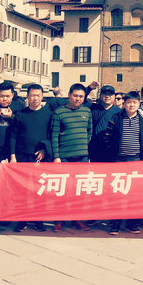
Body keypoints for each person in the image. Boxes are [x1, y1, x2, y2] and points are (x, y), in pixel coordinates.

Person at [101, 91, 143, 235]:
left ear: (139, 104)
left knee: (134, 195)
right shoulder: (115, 118)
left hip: (135, 161)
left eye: (135, 102)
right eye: (129, 102)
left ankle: (132, 224)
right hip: (118, 161)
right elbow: (107, 137)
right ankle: (115, 223)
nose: (131, 105)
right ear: (124, 103)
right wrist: (113, 151)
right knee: (117, 193)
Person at [9, 84, 53, 232]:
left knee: (39, 190)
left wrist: (45, 149)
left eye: (38, 95)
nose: (35, 98)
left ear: (42, 97)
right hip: (22, 157)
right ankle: (22, 219)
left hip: (40, 158)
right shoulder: (20, 115)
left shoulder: (49, 114)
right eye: (32, 95)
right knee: (22, 190)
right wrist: (13, 155)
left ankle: (38, 219)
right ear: (27, 96)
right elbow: (13, 136)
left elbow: (51, 136)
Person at [50, 83, 93, 232]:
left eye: (81, 96)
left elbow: (89, 131)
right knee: (62, 190)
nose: (78, 99)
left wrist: (83, 147)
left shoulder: (87, 111)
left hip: (82, 157)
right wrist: (56, 157)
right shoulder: (59, 112)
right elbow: (54, 135)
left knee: (78, 190)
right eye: (75, 95)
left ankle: (77, 219)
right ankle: (59, 220)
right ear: (69, 95)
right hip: (64, 157)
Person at [87, 85, 122, 162]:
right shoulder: (94, 108)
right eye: (105, 94)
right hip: (95, 149)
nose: (107, 96)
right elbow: (80, 101)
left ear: (114, 96)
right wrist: (89, 88)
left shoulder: (119, 112)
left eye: (110, 94)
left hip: (111, 151)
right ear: (100, 95)